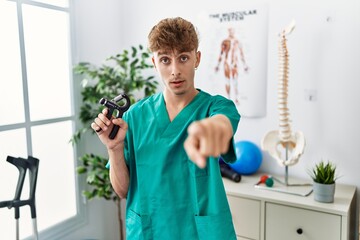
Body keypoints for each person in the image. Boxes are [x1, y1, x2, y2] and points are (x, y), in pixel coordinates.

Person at [92, 17, 240, 240]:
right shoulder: (135, 116)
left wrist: (211, 129)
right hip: (150, 231)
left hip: (198, 232)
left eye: (183, 58)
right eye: (165, 59)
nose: (175, 70)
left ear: (196, 58)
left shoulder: (215, 107)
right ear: (154, 62)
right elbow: (123, 191)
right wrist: (114, 148)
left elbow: (223, 123)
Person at [215, 27, 249, 105]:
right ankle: (228, 98)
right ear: (228, 31)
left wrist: (245, 65)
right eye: (230, 30)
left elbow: (241, 54)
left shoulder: (237, 42)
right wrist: (218, 65)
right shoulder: (225, 41)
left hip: (234, 64)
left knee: (235, 81)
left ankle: (236, 98)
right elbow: (221, 53)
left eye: (232, 30)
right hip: (227, 63)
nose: (231, 32)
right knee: (227, 81)